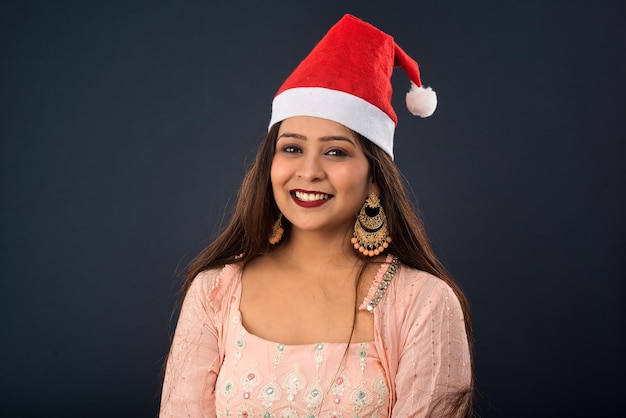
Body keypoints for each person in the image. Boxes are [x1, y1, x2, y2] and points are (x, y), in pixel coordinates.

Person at [160, 14, 473, 418]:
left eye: (336, 151)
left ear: (375, 178)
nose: (308, 171)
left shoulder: (423, 303)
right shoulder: (214, 293)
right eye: (291, 148)